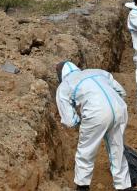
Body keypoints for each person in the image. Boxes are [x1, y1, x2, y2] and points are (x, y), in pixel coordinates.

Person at [55, 61, 131, 191]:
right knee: (117, 149)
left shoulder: (65, 85)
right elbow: (121, 92)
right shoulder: (98, 71)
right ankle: (123, 186)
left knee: (86, 151)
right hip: (119, 108)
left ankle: (82, 186)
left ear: (61, 75)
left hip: (96, 113)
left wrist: (78, 122)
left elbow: (69, 120)